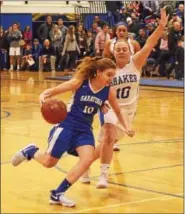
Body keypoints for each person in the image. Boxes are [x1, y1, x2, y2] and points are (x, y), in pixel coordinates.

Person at [11, 57, 134, 207]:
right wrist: (44, 102)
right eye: (109, 75)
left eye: (113, 75)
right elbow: (48, 93)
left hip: (84, 130)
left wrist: (127, 127)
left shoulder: (108, 92)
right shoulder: (79, 83)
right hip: (67, 125)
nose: (112, 78)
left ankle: (57, 194)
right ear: (98, 72)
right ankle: (31, 150)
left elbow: (118, 111)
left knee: (87, 159)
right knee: (49, 163)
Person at [80, 8, 168, 188]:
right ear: (113, 52)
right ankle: (104, 175)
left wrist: (160, 27)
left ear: (129, 51)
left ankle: (84, 165)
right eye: (118, 49)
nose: (121, 51)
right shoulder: (106, 68)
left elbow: (149, 44)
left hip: (129, 110)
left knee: (107, 141)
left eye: (124, 49)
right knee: (109, 136)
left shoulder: (135, 63)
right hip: (110, 108)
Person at [103, 22, 140, 151]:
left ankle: (114, 140)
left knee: (123, 127)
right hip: (115, 76)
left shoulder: (134, 44)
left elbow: (139, 57)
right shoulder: (109, 43)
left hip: (129, 76)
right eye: (119, 30)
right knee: (110, 127)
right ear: (116, 31)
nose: (122, 32)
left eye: (124, 30)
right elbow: (105, 58)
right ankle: (109, 141)